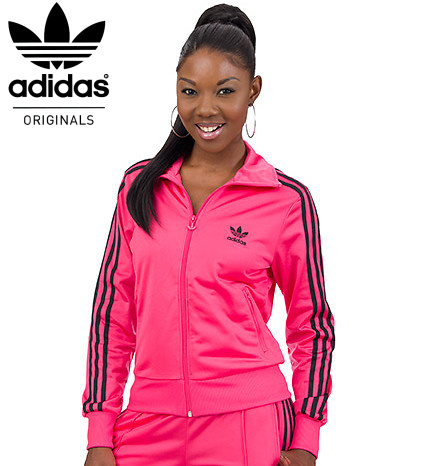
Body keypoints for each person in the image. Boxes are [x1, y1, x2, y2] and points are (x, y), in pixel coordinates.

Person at [82, 3, 335, 466]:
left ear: (253, 91)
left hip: (248, 424)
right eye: (189, 91)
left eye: (225, 91)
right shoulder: (139, 187)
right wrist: (99, 429)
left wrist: (305, 440)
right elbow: (111, 314)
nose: (205, 109)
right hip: (146, 422)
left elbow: (311, 325)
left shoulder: (286, 200)